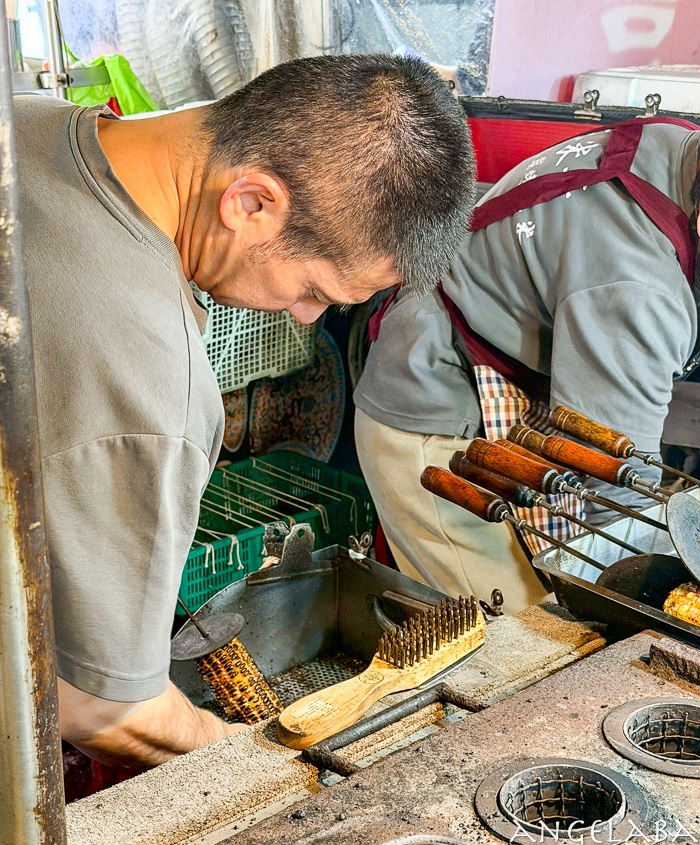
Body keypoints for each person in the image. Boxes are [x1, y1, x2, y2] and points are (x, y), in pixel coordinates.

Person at [16, 54, 475, 767]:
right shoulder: (148, 378)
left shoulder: (27, 116)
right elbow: (101, 707)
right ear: (251, 203)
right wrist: (251, 759)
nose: (304, 315)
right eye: (314, 289)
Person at [354, 114, 700, 613]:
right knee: (513, 635)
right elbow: (620, 488)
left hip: (488, 352)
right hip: (435, 400)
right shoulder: (636, 288)